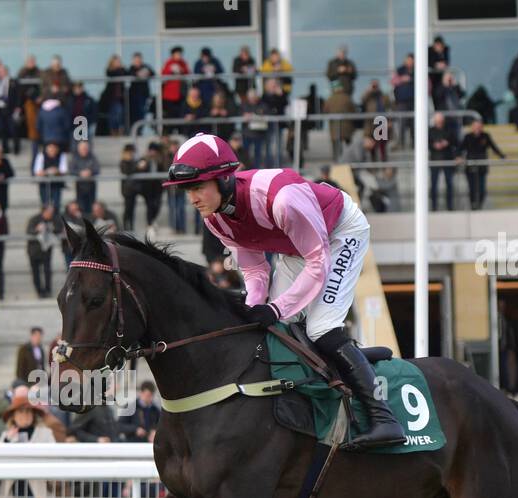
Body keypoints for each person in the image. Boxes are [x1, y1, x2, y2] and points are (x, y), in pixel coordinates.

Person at [163, 132, 405, 448]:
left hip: (340, 234)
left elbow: (318, 262)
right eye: (186, 191)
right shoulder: (216, 220)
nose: (191, 198)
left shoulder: (282, 200)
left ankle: (384, 417)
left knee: (320, 328)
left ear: (223, 180)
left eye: (197, 187)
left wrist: (275, 307)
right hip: (295, 248)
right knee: (282, 328)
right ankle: (348, 358)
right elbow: (254, 269)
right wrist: (252, 309)